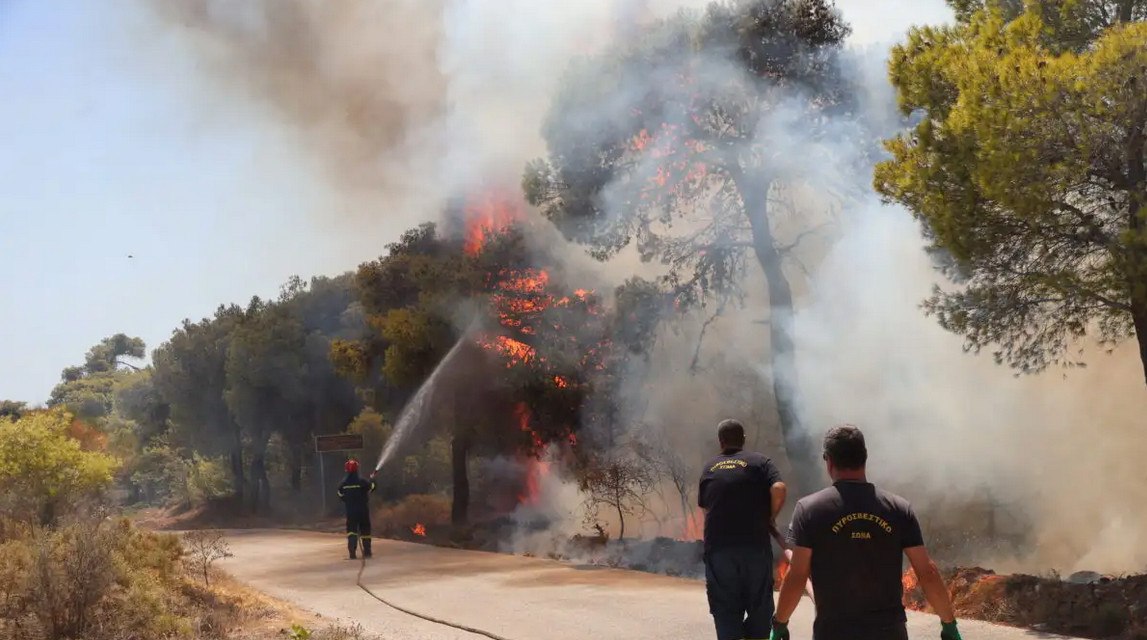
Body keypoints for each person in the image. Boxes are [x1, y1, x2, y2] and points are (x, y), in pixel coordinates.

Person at [770, 425, 963, 640]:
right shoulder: (899, 508)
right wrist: (948, 624)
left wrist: (780, 622)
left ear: (829, 461)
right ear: (865, 458)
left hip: (833, 632)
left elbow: (797, 576)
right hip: (889, 632)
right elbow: (927, 572)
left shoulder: (809, 509)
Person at [699, 419, 788, 640]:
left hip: (719, 550)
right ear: (743, 440)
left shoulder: (709, 467)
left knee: (725, 608)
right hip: (754, 547)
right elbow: (779, 487)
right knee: (760, 607)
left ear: (721, 442)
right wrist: (771, 516)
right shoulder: (760, 462)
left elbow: (706, 509)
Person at [337, 459, 377, 560]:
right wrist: (372, 479)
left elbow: (340, 494)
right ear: (357, 469)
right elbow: (372, 487)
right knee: (365, 531)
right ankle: (367, 552)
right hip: (363, 511)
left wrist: (347, 500)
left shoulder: (343, 483)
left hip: (351, 512)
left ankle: (352, 553)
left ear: (346, 470)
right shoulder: (362, 481)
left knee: (352, 531)